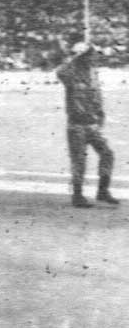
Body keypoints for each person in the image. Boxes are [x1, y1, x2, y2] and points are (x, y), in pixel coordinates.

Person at [56, 41, 119, 208]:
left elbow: (96, 96)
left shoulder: (92, 73)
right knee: (79, 161)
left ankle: (102, 191)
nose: (94, 58)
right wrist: (75, 56)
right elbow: (60, 72)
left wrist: (100, 115)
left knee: (107, 154)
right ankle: (77, 195)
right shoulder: (70, 73)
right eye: (90, 55)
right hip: (76, 125)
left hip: (92, 124)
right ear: (82, 57)